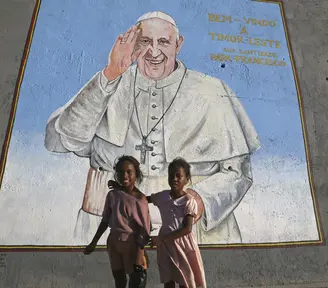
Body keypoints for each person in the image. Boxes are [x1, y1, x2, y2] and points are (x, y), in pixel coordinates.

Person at [44, 11, 260, 245]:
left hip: (192, 228)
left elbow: (238, 172)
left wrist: (200, 200)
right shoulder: (108, 83)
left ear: (179, 44)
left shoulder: (211, 91)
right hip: (108, 225)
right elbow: (61, 140)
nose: (154, 52)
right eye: (145, 42)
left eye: (164, 42)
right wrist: (110, 74)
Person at [83, 155, 151, 288]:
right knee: (119, 281)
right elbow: (105, 220)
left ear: (136, 174)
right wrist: (93, 242)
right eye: (120, 172)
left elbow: (145, 230)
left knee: (137, 281)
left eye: (129, 172)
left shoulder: (140, 200)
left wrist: (139, 255)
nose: (124, 175)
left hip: (132, 246)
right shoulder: (113, 195)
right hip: (114, 244)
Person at [148, 158, 206, 288]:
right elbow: (143, 199)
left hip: (183, 246)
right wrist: (125, 190)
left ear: (187, 179)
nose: (174, 179)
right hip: (165, 246)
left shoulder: (188, 201)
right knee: (168, 279)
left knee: (185, 279)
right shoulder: (162, 196)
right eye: (171, 175)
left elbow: (187, 229)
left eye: (179, 176)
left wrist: (161, 239)